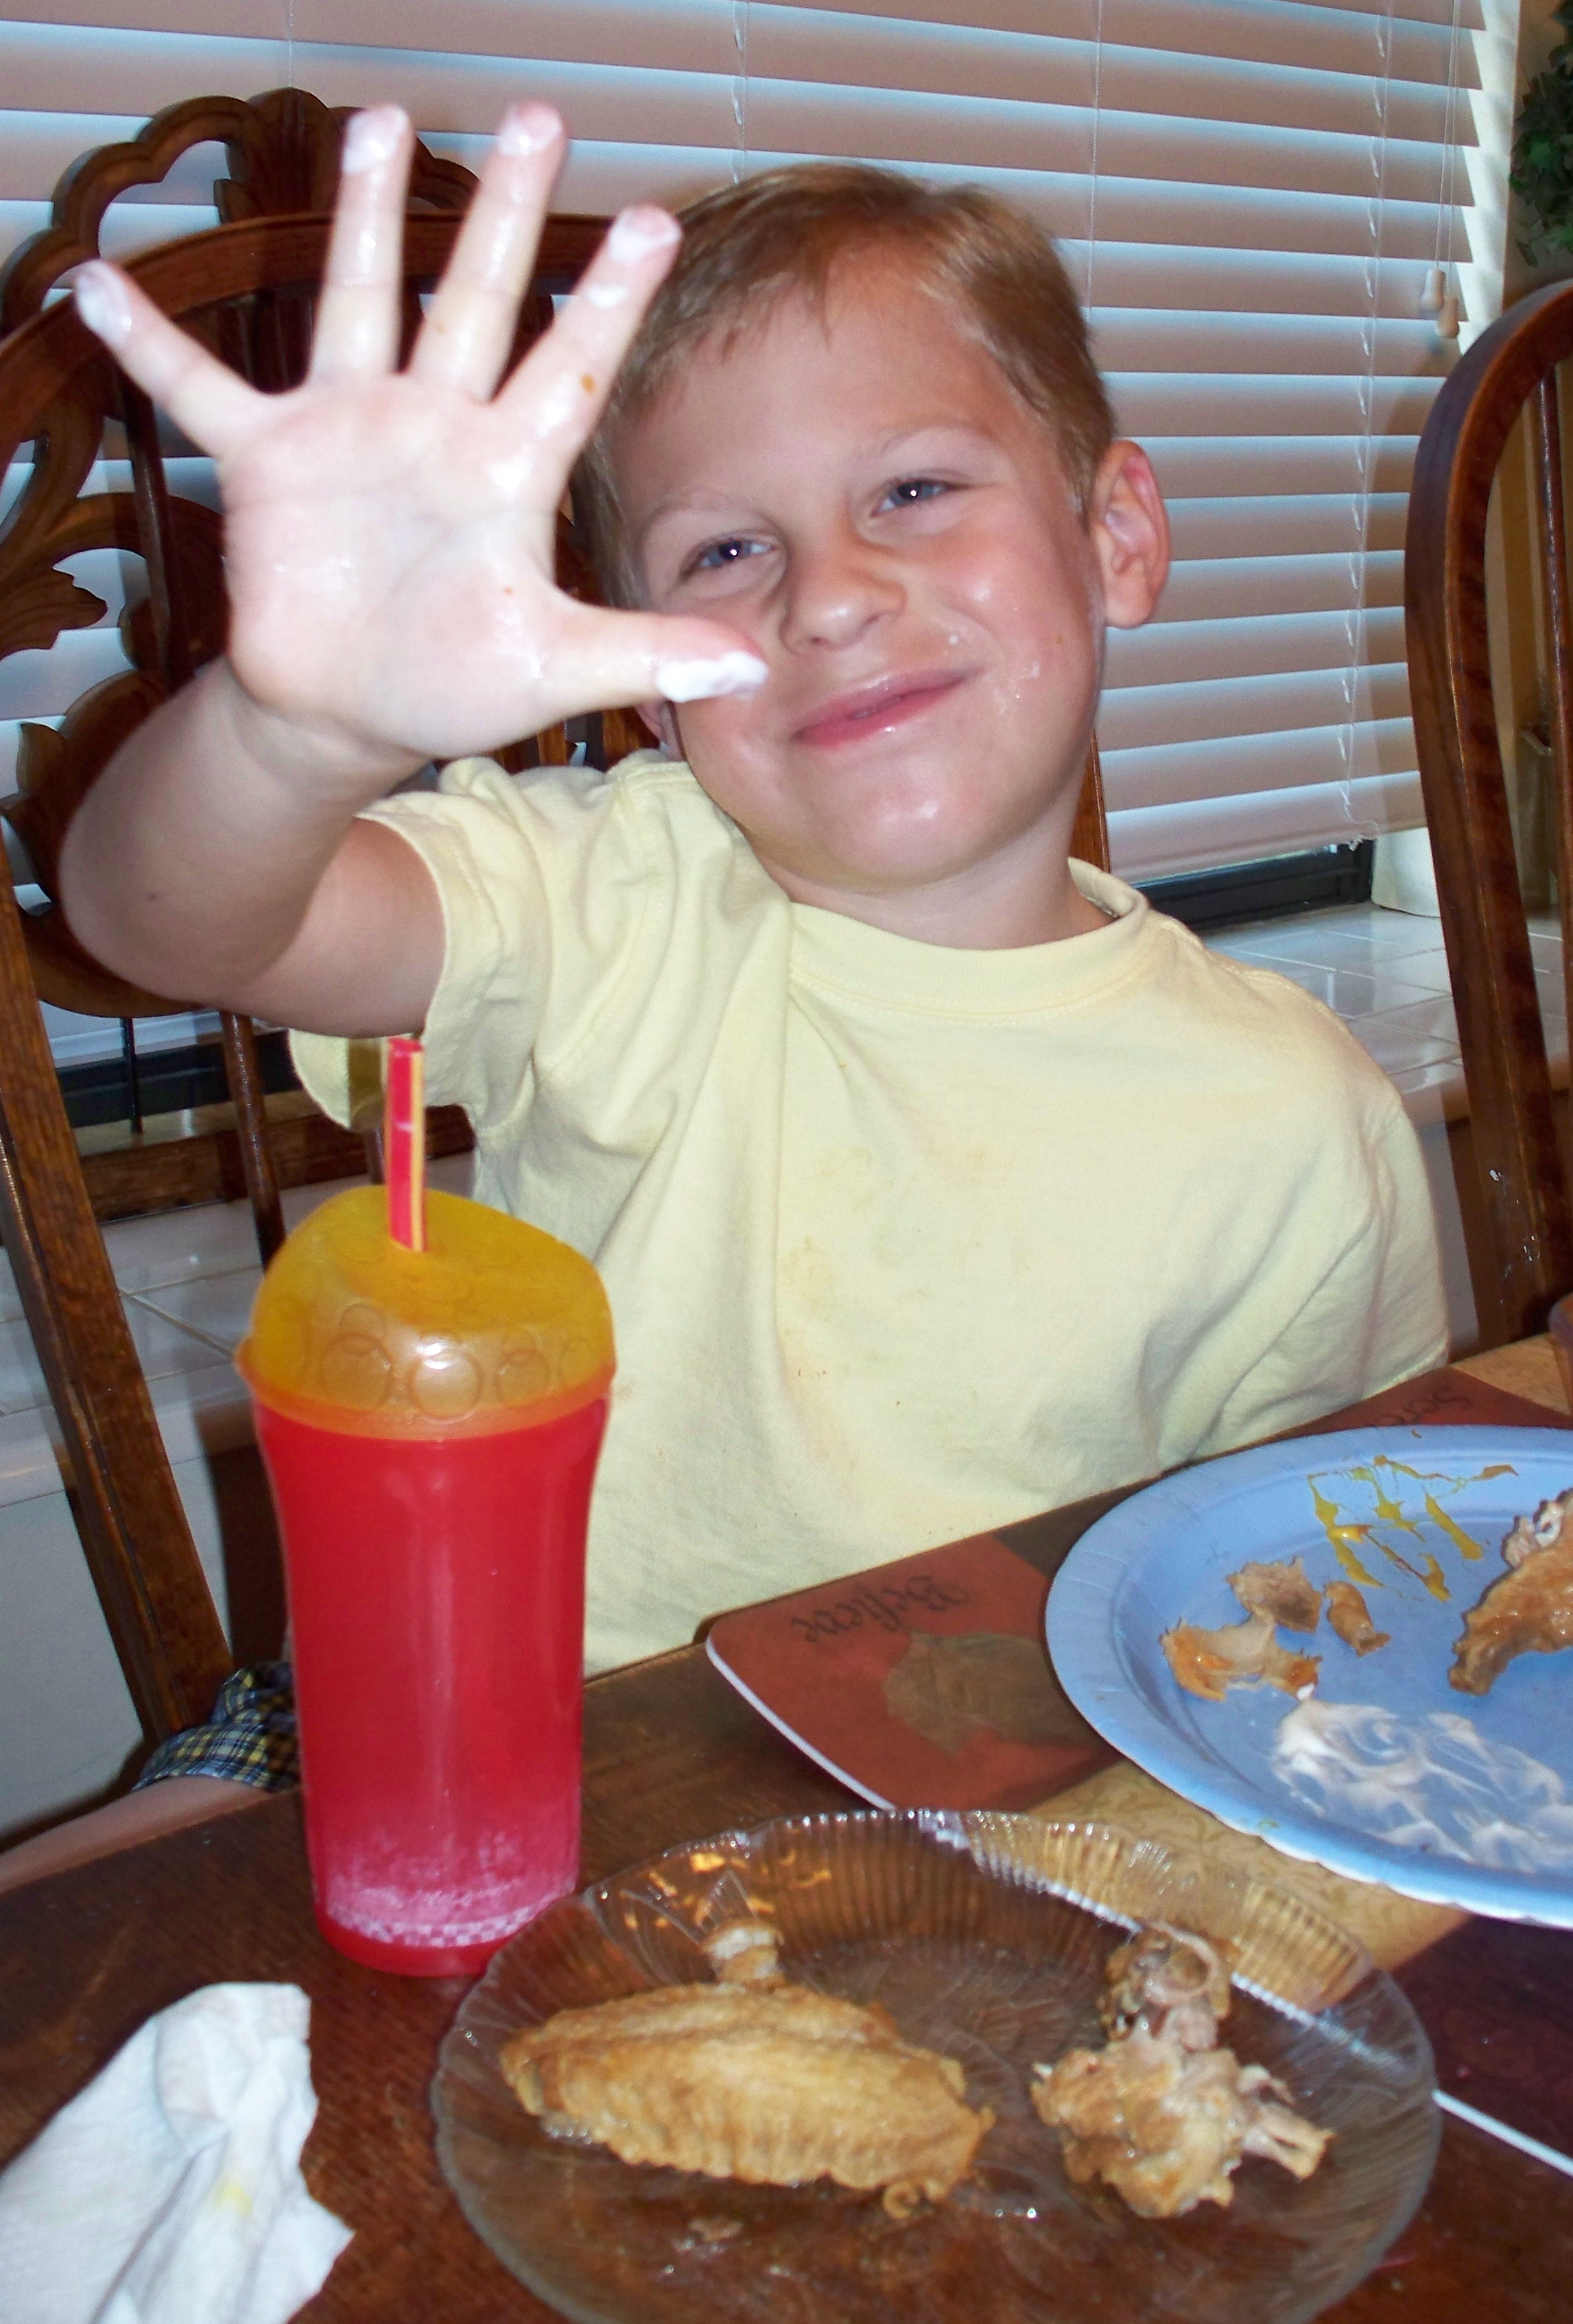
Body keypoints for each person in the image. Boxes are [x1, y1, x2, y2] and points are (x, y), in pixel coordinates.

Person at [0, 104, 1444, 1888]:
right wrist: (294, 731)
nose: (829, 596)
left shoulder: (1295, 1127)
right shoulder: (608, 893)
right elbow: (165, 920)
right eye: (723, 552)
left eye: (912, 491)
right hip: (431, 1708)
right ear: (648, 674)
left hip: (947, 1833)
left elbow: (1309, 1626)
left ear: (1117, 535)